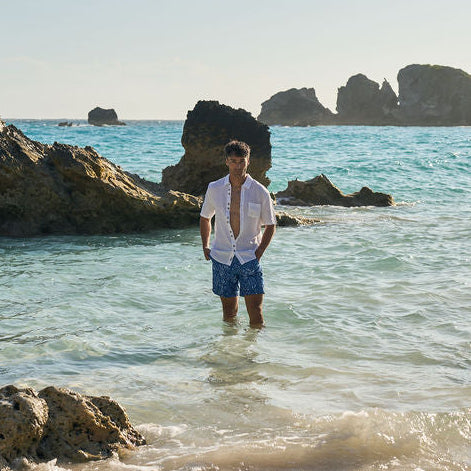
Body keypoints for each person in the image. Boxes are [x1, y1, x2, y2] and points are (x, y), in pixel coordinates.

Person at [200, 140, 276, 326]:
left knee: (256, 313)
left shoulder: (260, 191)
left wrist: (259, 252)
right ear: (226, 161)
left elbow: (270, 225)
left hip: (249, 257)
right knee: (228, 314)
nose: (237, 166)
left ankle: (253, 353)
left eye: (241, 161)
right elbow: (205, 217)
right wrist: (205, 245)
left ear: (248, 161)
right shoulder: (214, 188)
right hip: (222, 257)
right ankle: (231, 351)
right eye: (233, 161)